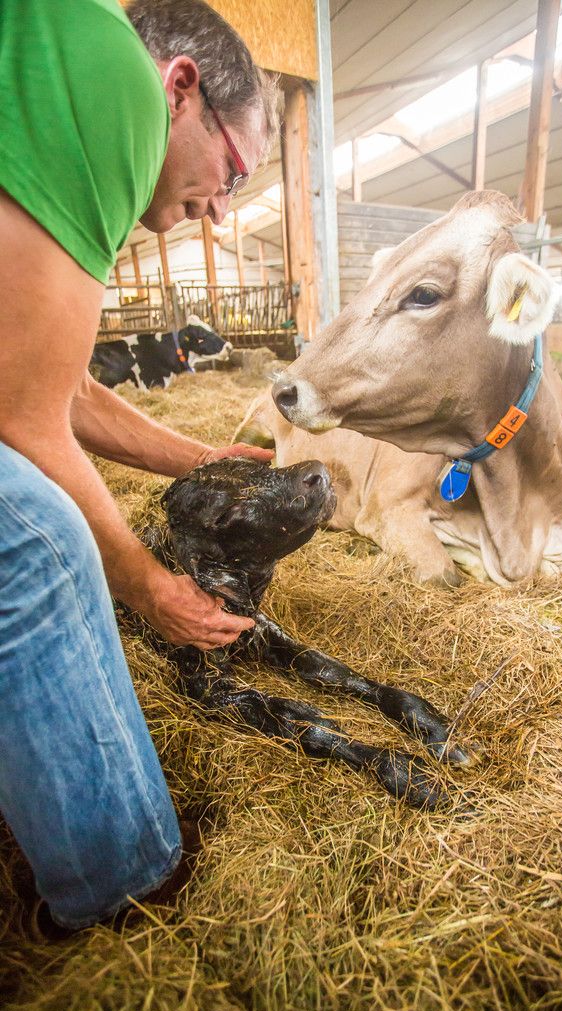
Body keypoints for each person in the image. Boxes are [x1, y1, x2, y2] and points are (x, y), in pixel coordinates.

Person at [0, 0, 280, 934]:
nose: (223, 207)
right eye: (233, 170)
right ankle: (126, 886)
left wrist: (205, 458)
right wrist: (150, 588)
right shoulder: (114, 76)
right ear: (180, 88)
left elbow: (66, 388)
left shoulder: (53, 81)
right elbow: (26, 423)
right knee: (39, 544)